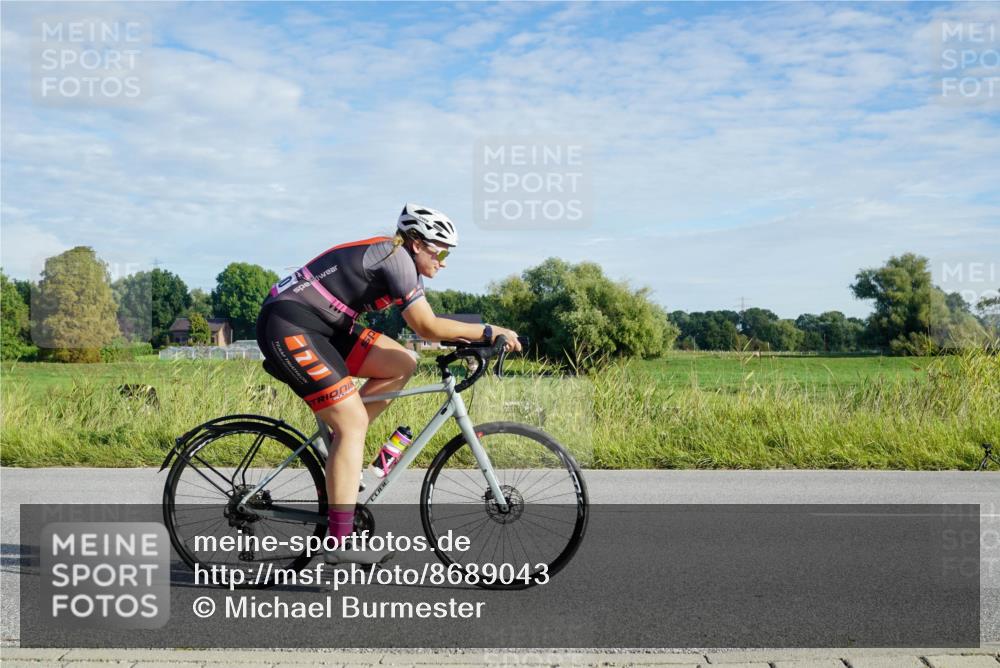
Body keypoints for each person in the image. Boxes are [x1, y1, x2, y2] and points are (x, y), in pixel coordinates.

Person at [255, 203, 521, 565]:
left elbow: (428, 332)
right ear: (415, 242)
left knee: (402, 362)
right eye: (439, 250)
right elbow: (427, 327)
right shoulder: (394, 258)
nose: (443, 260)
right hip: (290, 322)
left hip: (327, 325)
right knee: (352, 424)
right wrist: (491, 331)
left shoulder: (402, 261)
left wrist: (473, 342)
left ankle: (341, 449)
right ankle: (339, 544)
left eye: (448, 254)